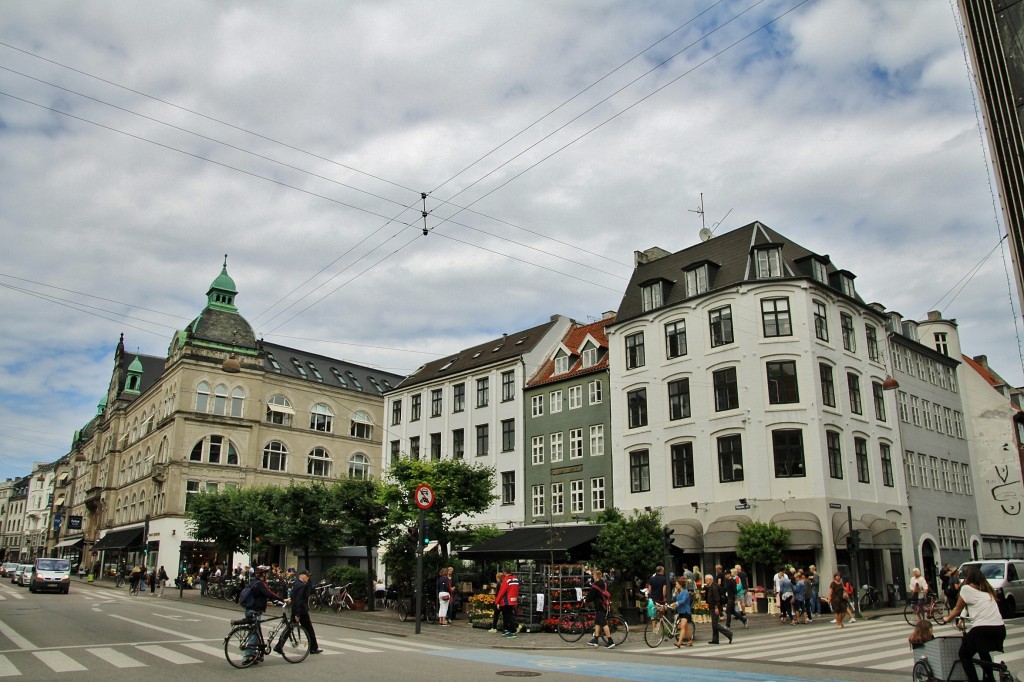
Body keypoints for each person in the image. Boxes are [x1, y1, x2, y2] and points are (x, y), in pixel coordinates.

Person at [942, 565, 1006, 682]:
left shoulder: (966, 589)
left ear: (968, 578)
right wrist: (962, 618)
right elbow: (968, 606)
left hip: (982, 629)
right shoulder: (987, 591)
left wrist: (947, 618)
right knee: (983, 649)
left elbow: (957, 608)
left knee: (964, 654)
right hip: (1000, 629)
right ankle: (990, 678)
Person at [243, 567, 285, 665]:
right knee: (254, 634)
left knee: (254, 633)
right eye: (266, 573)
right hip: (255, 611)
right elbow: (269, 593)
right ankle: (248, 656)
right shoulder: (260, 584)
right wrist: (282, 599)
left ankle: (254, 655)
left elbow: (258, 596)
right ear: (263, 574)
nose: (268, 575)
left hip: (250, 609)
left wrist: (266, 603)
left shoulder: (254, 582)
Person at [286, 570, 322, 654]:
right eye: (307, 576)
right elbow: (299, 600)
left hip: (295, 610)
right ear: (301, 575)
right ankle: (313, 648)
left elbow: (294, 596)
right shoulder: (302, 585)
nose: (308, 578)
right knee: (309, 629)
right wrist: (298, 614)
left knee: (289, 628)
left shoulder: (296, 583)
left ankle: (278, 646)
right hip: (301, 612)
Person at [584, 568, 615, 649]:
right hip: (606, 604)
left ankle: (610, 640)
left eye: (594, 575)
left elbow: (591, 596)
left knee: (603, 623)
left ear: (596, 576)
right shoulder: (604, 584)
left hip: (600, 606)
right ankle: (595, 639)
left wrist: (585, 600)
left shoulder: (595, 586)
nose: (593, 577)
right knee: (597, 622)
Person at [704, 573, 732, 645]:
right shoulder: (711, 586)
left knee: (715, 624)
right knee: (714, 623)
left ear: (710, 580)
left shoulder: (714, 587)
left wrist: (716, 607)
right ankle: (715, 639)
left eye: (706, 580)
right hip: (712, 607)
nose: (706, 581)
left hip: (715, 607)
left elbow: (717, 598)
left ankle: (728, 633)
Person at [495, 570, 519, 638]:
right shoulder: (515, 579)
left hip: (506, 601)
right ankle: (506, 630)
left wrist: (497, 601)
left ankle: (512, 631)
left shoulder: (506, 580)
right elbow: (517, 591)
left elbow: (502, 591)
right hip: (513, 600)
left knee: (508, 616)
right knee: (508, 615)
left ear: (505, 573)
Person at [673, 576, 694, 647]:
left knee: (682, 627)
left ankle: (679, 642)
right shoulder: (678, 593)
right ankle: (690, 640)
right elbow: (673, 599)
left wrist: (676, 603)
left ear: (680, 585)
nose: (676, 586)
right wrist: (674, 594)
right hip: (680, 611)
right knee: (686, 627)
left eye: (676, 584)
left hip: (686, 611)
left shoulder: (685, 592)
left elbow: (683, 601)